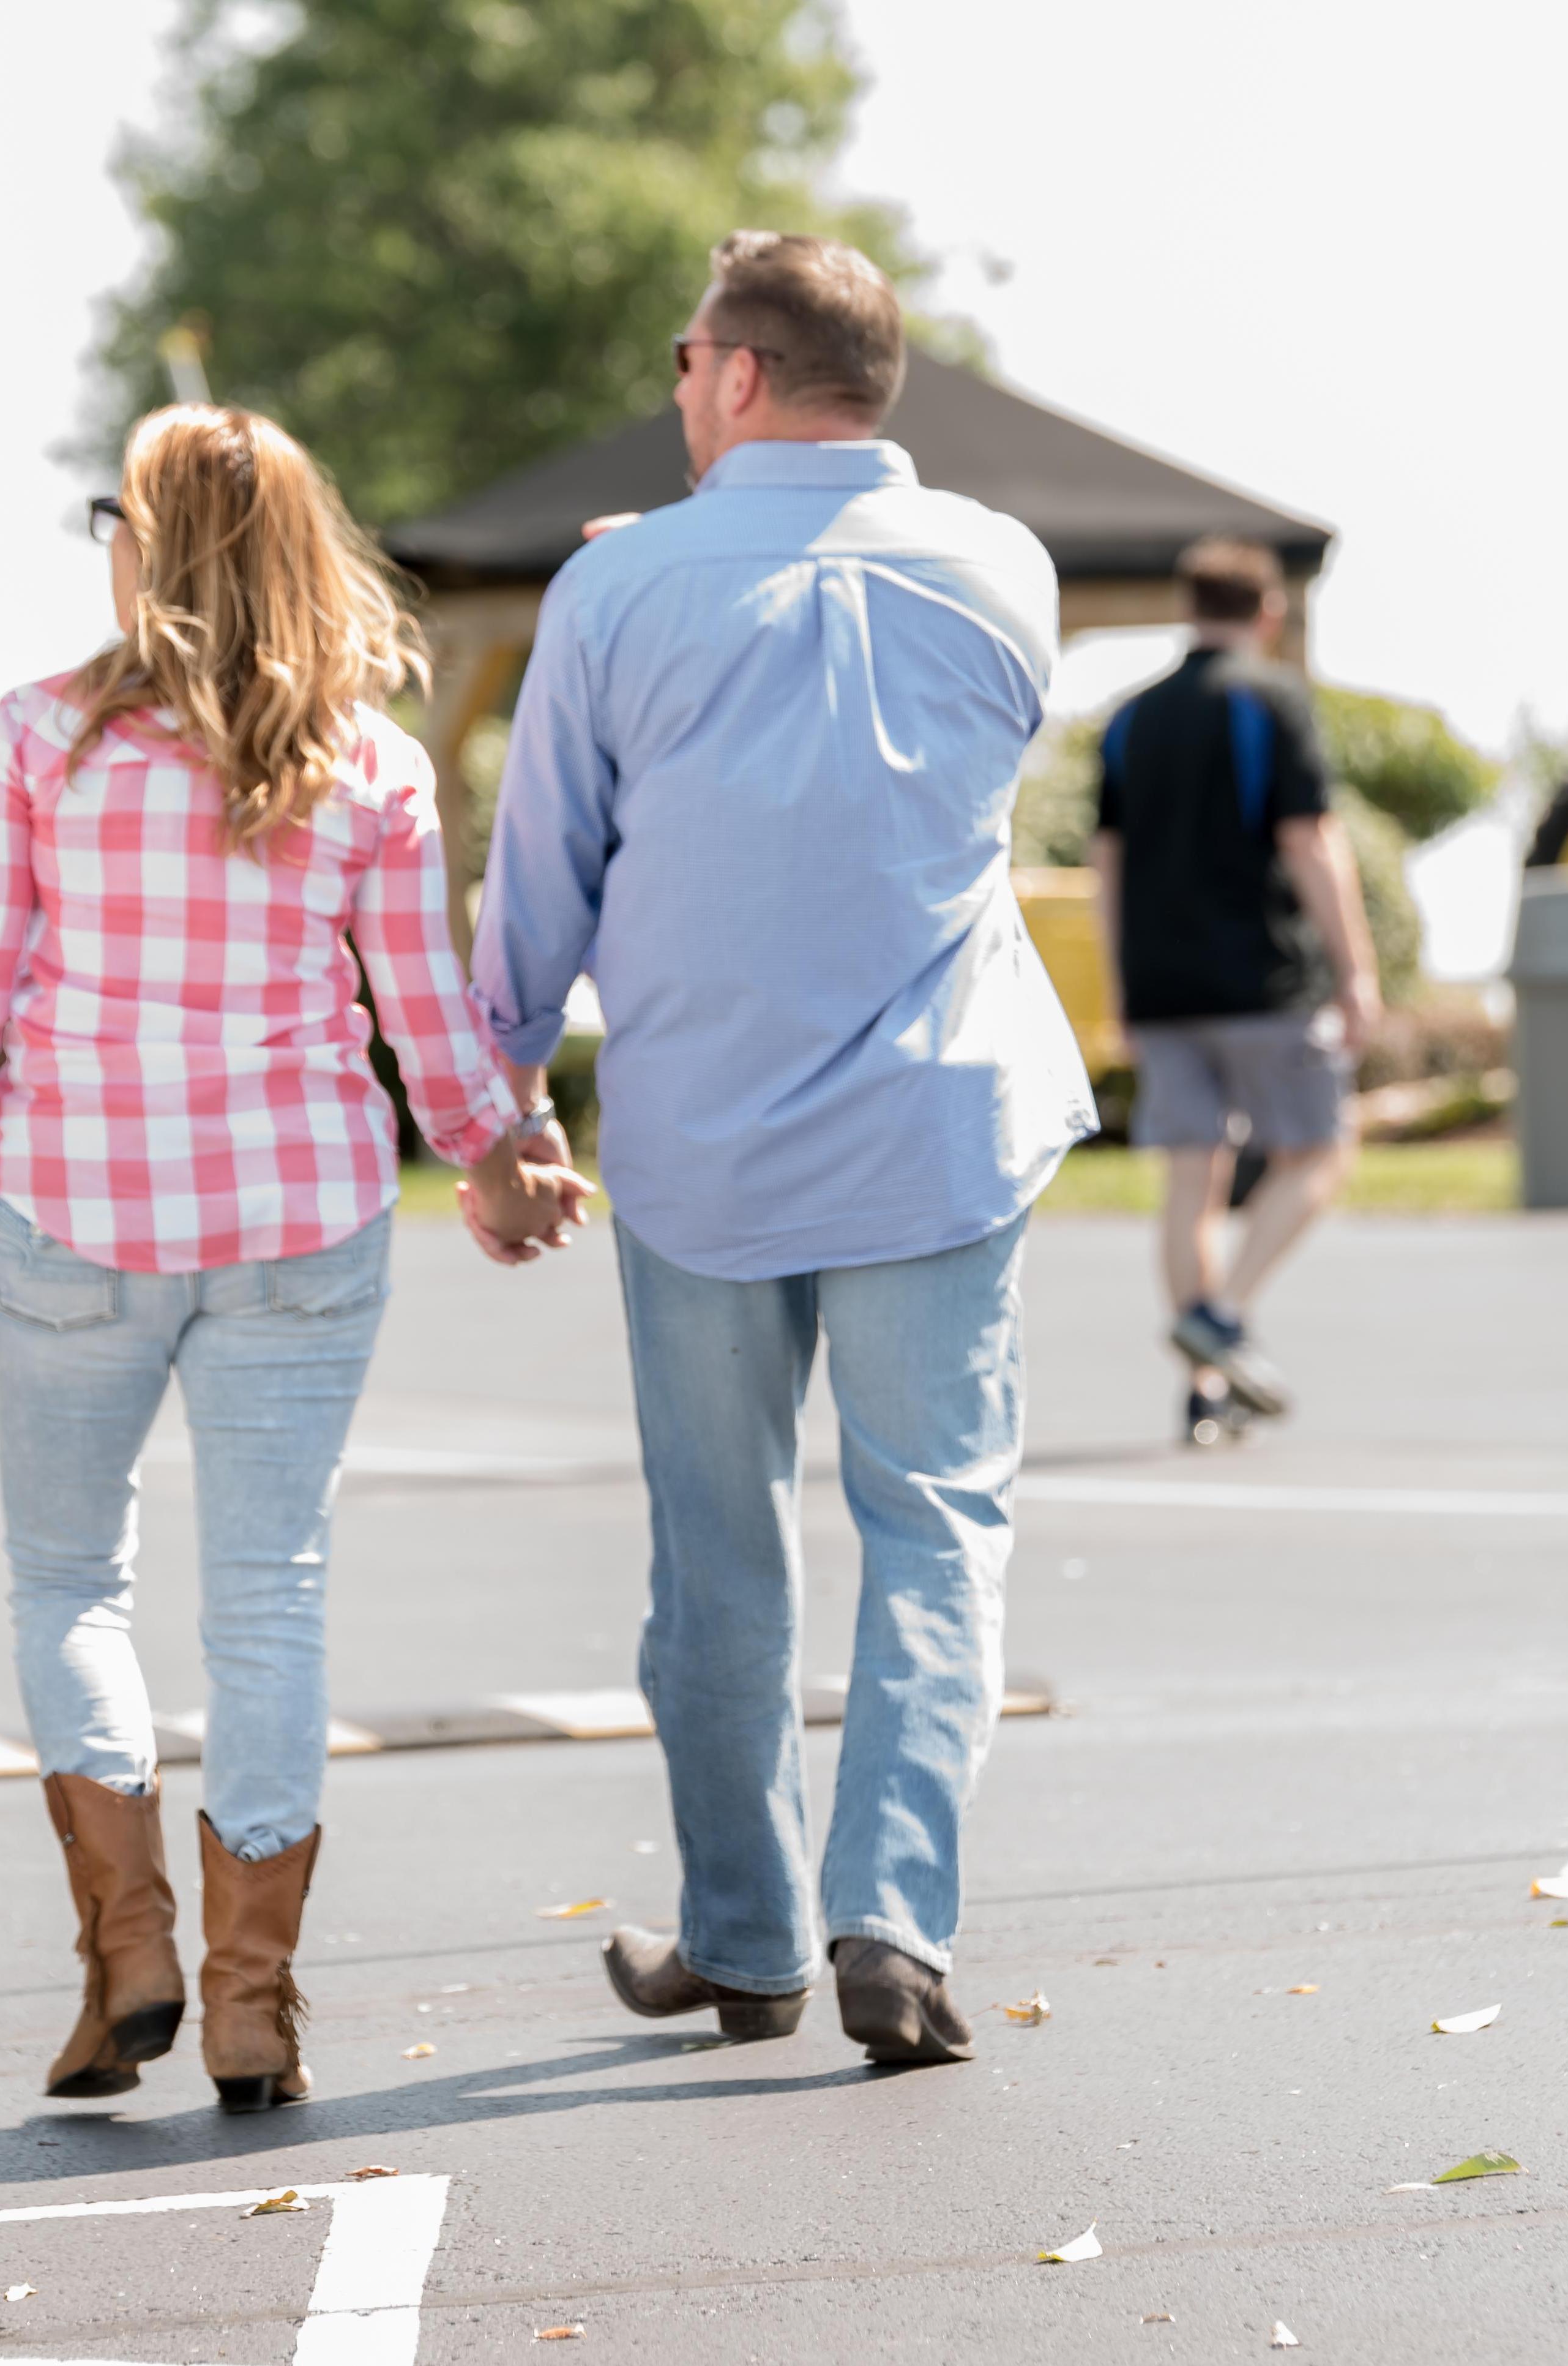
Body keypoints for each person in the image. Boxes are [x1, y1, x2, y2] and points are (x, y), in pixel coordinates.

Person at [0, 406, 588, 2114]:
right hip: (300, 1225)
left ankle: (133, 1953)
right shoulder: (369, 763)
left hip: (70, 1217)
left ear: (148, 548)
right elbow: (427, 1028)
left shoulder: (37, 741)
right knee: (272, 1595)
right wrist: (503, 1169)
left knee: (69, 1581)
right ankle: (254, 2002)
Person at [465, 231, 1094, 2065]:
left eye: (681, 361)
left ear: (737, 374)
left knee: (720, 1553)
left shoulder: (615, 595)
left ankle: (744, 1939)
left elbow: (542, 887)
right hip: (938, 1128)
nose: (674, 392)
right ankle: (891, 1915)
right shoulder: (1004, 571)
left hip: (705, 1144)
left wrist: (499, 1113)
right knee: (939, 1532)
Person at [1087, 537, 1379, 1440]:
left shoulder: (1131, 719)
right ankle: (1222, 1316)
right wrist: (1356, 968)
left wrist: (1122, 984)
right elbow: (1308, 840)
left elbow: (1107, 860)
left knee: (1192, 1181)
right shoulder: (1271, 698)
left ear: (1186, 603)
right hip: (1262, 983)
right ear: (1269, 611)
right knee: (1320, 1152)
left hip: (1163, 986)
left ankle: (1203, 1392)